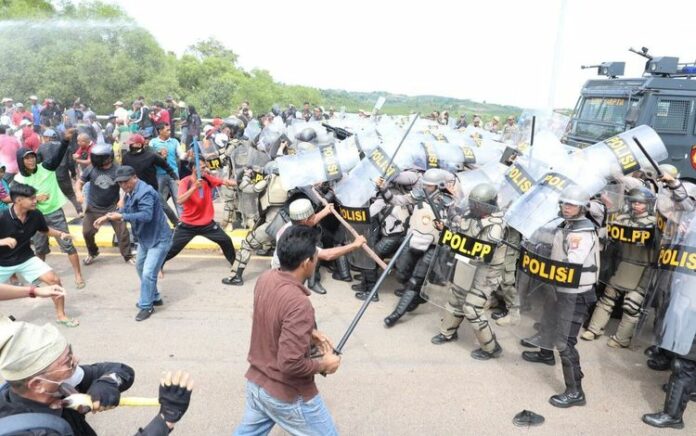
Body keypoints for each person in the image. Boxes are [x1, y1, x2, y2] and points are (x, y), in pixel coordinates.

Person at [233, 225, 341, 436]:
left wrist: (308, 334)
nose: (316, 259)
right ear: (306, 263)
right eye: (315, 255)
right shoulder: (299, 304)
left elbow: (273, 321)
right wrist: (323, 365)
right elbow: (290, 363)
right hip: (287, 394)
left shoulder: (266, 279)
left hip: (257, 385)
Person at [0, 319, 194, 435]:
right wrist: (165, 420)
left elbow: (121, 369)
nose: (76, 360)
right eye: (67, 361)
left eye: (70, 353)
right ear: (37, 384)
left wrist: (107, 382)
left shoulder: (53, 384)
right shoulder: (33, 431)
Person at [520, 185, 600, 408]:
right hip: (560, 288)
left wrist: (546, 264)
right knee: (548, 322)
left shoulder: (581, 233)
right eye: (565, 203)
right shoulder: (567, 225)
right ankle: (546, 354)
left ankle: (575, 392)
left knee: (565, 343)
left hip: (575, 294)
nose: (567, 207)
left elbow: (572, 262)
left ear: (582, 208)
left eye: (572, 204)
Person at [429, 183, 508, 360]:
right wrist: (445, 230)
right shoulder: (470, 214)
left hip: (486, 272)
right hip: (466, 263)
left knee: (472, 308)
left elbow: (481, 251)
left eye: (477, 204)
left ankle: (491, 348)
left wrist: (456, 240)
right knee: (455, 298)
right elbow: (461, 232)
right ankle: (447, 332)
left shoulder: (496, 225)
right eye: (472, 203)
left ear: (488, 205)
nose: (473, 206)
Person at [94, 166, 172, 321]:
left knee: (148, 272)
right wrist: (108, 216)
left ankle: (146, 306)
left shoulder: (145, 192)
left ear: (134, 177)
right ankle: (155, 296)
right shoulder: (131, 191)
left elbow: (146, 215)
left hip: (158, 239)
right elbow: (125, 210)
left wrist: (121, 217)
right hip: (145, 238)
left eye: (126, 181)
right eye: (120, 183)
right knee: (140, 267)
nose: (123, 185)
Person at [582, 187, 656, 348]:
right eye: (634, 202)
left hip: (642, 268)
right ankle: (594, 329)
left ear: (648, 205)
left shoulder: (654, 224)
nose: (636, 205)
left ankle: (622, 339)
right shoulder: (622, 218)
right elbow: (608, 233)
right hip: (621, 264)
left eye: (640, 203)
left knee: (632, 304)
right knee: (607, 298)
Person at [13, 129, 86, 289]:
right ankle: (38, 277)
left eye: (32, 157)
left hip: (54, 212)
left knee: (67, 244)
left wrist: (66, 141)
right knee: (40, 248)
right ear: (21, 161)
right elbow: (15, 199)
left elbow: (58, 154)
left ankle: (78, 275)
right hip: (34, 216)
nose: (31, 161)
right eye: (27, 159)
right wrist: (34, 199)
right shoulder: (18, 179)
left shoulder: (46, 167)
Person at [0, 183, 79, 327]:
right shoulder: (2, 216)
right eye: (31, 198)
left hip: (26, 258)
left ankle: (61, 316)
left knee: (54, 280)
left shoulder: (35, 214)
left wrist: (61, 234)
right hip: (2, 263)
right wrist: (2, 241)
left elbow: (44, 230)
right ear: (18, 200)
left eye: (35, 197)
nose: (35, 200)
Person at [267, 199, 366, 294]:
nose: (315, 218)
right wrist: (354, 245)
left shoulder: (290, 226)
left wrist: (325, 211)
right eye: (313, 216)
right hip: (286, 277)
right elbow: (327, 255)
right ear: (306, 220)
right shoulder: (299, 239)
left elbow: (311, 222)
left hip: (280, 271)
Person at [163, 158, 237, 278]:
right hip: (188, 225)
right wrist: (194, 188)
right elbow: (179, 200)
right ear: (194, 168)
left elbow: (224, 181)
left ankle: (235, 264)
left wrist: (238, 182)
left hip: (207, 224)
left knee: (226, 240)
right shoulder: (185, 182)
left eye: (205, 166)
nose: (205, 169)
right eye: (202, 167)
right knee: (172, 249)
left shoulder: (207, 179)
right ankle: (158, 266)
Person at [75, 143, 133, 265]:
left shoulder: (117, 169)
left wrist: (122, 199)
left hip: (113, 207)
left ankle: (127, 256)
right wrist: (79, 193)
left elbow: (126, 187)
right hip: (94, 207)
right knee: (87, 232)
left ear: (108, 157)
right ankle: (93, 252)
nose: (95, 159)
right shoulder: (91, 168)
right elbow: (79, 182)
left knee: (122, 233)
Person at [122, 133, 180, 225]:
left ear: (139, 144)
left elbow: (166, 166)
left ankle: (177, 223)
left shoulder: (151, 156)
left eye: (132, 143)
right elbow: (123, 172)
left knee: (164, 207)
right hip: (133, 189)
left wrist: (175, 178)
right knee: (127, 208)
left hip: (150, 189)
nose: (130, 145)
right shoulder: (126, 157)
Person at [37, 128, 82, 216]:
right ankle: (79, 211)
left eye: (44, 137)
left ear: (47, 138)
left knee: (48, 195)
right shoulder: (65, 146)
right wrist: (73, 174)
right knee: (71, 194)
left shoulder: (42, 147)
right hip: (63, 175)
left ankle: (48, 214)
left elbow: (38, 163)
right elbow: (70, 163)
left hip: (48, 177)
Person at [149, 125, 182, 225]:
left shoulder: (174, 142)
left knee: (179, 198)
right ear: (160, 131)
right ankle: (160, 222)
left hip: (173, 174)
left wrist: (188, 155)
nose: (169, 131)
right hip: (159, 174)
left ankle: (183, 223)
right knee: (160, 199)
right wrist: (158, 153)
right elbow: (149, 155)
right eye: (167, 130)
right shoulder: (153, 142)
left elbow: (181, 154)